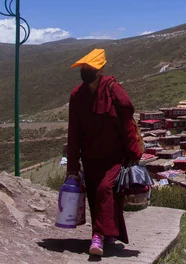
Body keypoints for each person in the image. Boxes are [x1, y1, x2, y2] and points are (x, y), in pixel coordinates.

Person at [66, 48, 143, 256]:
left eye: (89, 67)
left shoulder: (113, 90)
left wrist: (133, 153)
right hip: (90, 157)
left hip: (114, 156)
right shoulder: (77, 95)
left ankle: (98, 236)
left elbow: (127, 122)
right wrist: (72, 165)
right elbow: (73, 132)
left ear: (99, 70)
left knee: (104, 190)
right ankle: (110, 232)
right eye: (83, 67)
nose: (85, 70)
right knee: (97, 196)